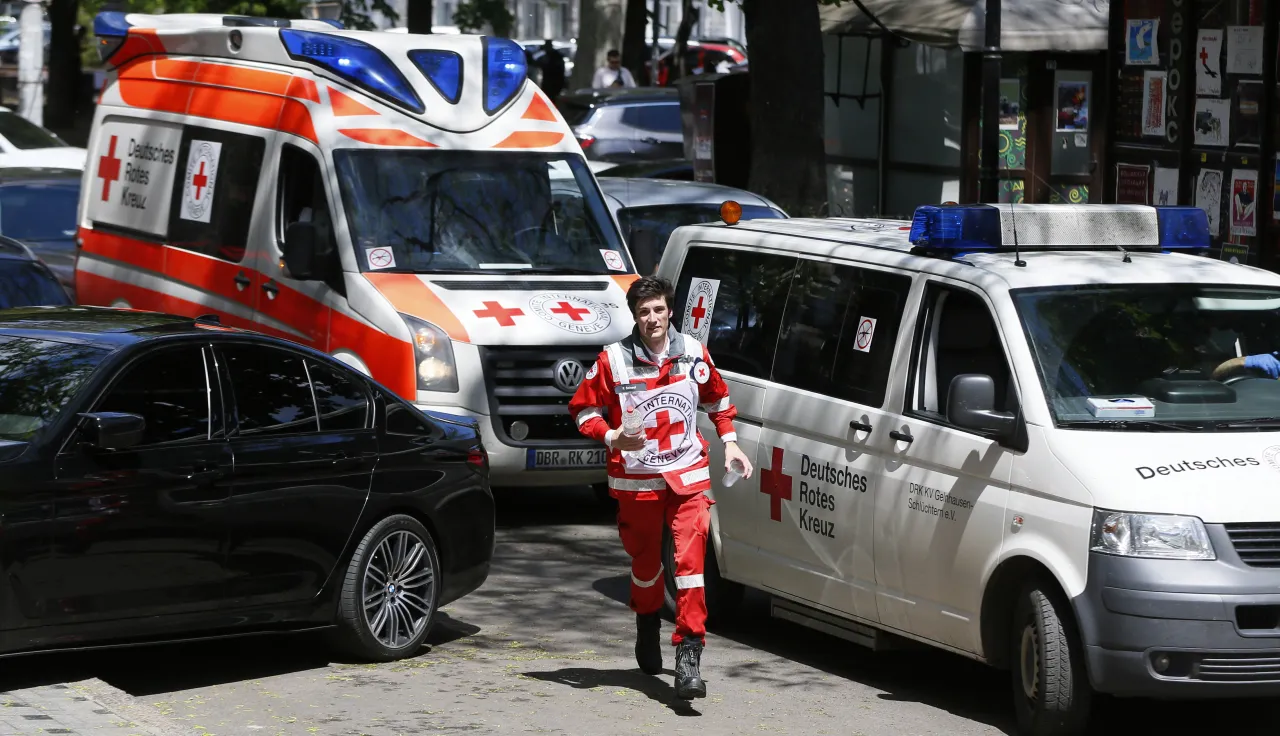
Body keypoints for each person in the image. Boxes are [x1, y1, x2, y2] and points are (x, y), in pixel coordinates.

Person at [569, 276, 753, 700]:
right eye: (644, 312)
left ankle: (689, 655)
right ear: (635, 316)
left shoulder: (691, 352)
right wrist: (613, 436)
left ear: (670, 311)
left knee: (690, 565)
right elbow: (582, 409)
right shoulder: (613, 360)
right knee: (647, 564)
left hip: (688, 477)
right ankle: (647, 622)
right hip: (637, 484)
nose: (652, 318)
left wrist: (730, 443)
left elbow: (718, 400)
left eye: (658, 309)